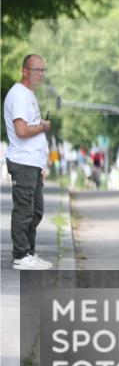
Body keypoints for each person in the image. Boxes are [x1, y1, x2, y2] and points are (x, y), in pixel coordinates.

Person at [3, 55, 54, 270]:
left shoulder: (29, 95)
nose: (40, 74)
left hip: (32, 163)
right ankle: (20, 255)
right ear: (24, 71)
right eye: (36, 70)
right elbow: (22, 130)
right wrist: (43, 126)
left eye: (42, 70)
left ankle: (29, 252)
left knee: (36, 211)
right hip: (22, 162)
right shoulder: (19, 95)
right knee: (24, 210)